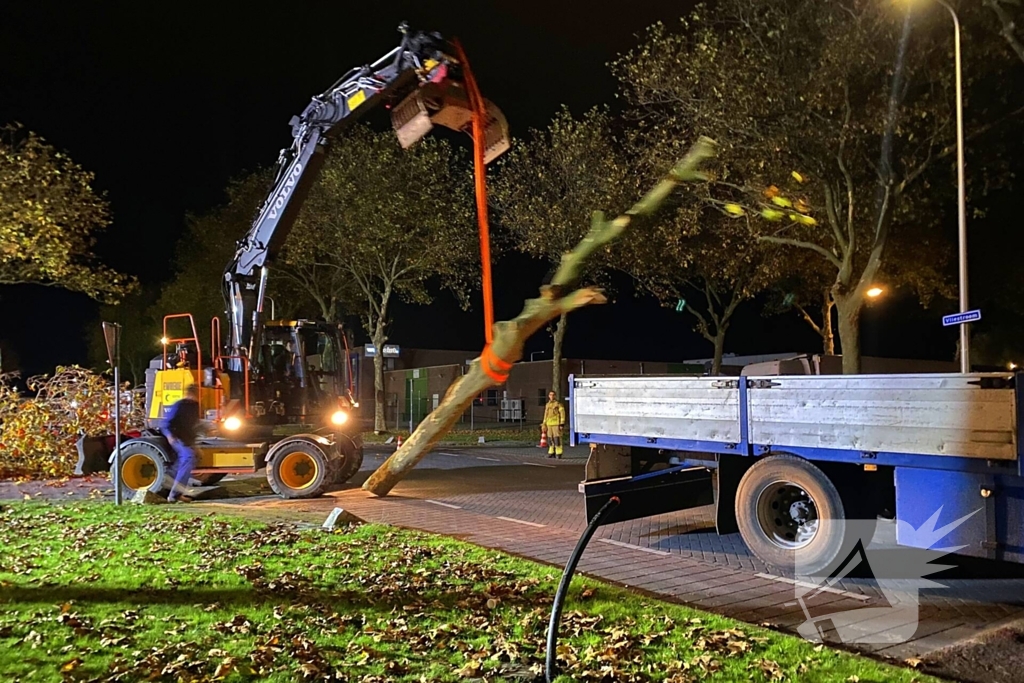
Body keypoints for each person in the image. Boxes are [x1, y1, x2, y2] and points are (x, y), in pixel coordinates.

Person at [161, 384, 201, 502]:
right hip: (177, 436)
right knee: (188, 457)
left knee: (185, 461)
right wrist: (170, 436)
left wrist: (194, 444)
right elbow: (167, 423)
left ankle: (168, 478)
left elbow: (192, 427)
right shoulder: (180, 405)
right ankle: (174, 495)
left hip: (185, 438)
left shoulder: (194, 406)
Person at [543, 391, 566, 459]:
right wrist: (544, 423)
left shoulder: (558, 404)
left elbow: (562, 414)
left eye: (553, 395)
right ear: (548, 396)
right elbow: (545, 415)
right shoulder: (547, 405)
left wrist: (562, 424)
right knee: (550, 438)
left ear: (555, 396)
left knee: (557, 438)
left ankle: (558, 453)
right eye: (550, 395)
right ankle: (551, 452)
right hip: (549, 424)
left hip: (556, 423)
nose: (551, 396)